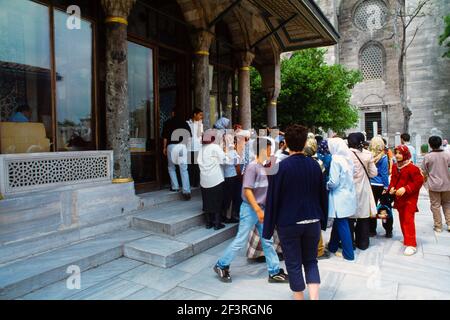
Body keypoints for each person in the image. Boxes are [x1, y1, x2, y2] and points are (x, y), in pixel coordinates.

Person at [263, 124, 327, 300]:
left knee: (293, 263)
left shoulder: (280, 168)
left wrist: (267, 229)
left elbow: (272, 199)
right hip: (313, 220)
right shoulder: (315, 166)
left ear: (285, 143)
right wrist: (323, 219)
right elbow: (323, 194)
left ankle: (299, 298)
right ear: (305, 141)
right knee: (311, 261)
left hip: (289, 222)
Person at [213, 138, 288, 283]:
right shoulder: (252, 167)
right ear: (262, 149)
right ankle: (221, 265)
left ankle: (274, 271)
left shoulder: (266, 166)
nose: (270, 152)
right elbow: (247, 190)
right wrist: (257, 210)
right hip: (250, 209)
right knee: (240, 240)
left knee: (267, 240)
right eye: (268, 149)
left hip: (262, 209)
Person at [389, 145, 424, 256]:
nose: (398, 155)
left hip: (410, 198)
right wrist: (391, 188)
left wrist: (405, 188)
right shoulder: (395, 166)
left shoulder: (412, 168)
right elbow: (393, 180)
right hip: (399, 198)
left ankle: (411, 244)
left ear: (406, 154)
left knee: (408, 219)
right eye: (396, 153)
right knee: (402, 218)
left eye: (400, 153)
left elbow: (418, 182)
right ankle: (406, 238)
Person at [327, 137, 357, 261]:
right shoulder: (347, 159)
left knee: (342, 222)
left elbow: (333, 181)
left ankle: (349, 254)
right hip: (348, 194)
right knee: (340, 221)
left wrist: (326, 185)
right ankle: (333, 246)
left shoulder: (335, 160)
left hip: (338, 195)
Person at [347, 132, 378, 250]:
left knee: (349, 217)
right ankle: (363, 243)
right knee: (363, 216)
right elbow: (373, 173)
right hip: (363, 188)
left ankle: (350, 243)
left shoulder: (345, 154)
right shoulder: (367, 155)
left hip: (349, 188)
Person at [303, 134, 329, 260]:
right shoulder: (319, 162)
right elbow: (322, 181)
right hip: (316, 197)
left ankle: (316, 249)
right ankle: (318, 250)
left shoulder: (300, 162)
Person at [197, 129, 226, 230]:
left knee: (207, 201)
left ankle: (208, 223)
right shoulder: (215, 147)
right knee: (217, 201)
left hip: (204, 179)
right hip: (216, 178)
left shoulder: (201, 149)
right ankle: (217, 223)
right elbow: (224, 160)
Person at [421, 136, 450, 232]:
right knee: (447, 204)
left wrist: (424, 181)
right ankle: (449, 223)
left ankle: (438, 226)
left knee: (435, 205)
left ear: (430, 144)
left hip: (434, 185)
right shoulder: (447, 155)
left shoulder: (428, 156)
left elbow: (424, 171)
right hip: (447, 184)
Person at [162, 110, 191, 200]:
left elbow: (165, 137)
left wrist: (164, 147)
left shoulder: (167, 123)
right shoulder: (185, 123)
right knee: (184, 168)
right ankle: (186, 191)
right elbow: (189, 137)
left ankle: (175, 187)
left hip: (171, 146)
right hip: (182, 146)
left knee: (171, 167)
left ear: (173, 113)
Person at [369, 136, 392, 238]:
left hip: (371, 184)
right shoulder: (383, 157)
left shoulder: (369, 155)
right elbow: (384, 173)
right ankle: (388, 230)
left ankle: (372, 230)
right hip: (381, 185)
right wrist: (386, 186)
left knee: (372, 209)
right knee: (385, 209)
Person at [186, 108, 204, 188]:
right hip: (189, 148)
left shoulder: (201, 124)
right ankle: (189, 182)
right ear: (195, 114)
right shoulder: (187, 123)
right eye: (200, 114)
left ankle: (196, 183)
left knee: (197, 166)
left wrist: (200, 125)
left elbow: (200, 135)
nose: (201, 116)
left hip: (198, 148)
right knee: (190, 166)